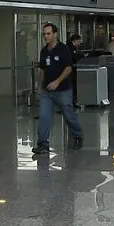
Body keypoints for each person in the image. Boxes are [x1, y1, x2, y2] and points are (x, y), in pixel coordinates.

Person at [34, 23, 83, 155]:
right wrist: (39, 86)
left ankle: (78, 135)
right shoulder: (44, 51)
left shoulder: (63, 49)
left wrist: (57, 81)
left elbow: (68, 68)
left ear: (55, 34)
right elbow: (42, 69)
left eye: (48, 33)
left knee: (68, 115)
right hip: (47, 91)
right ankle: (43, 144)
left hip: (63, 90)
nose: (46, 36)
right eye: (44, 34)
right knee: (44, 116)